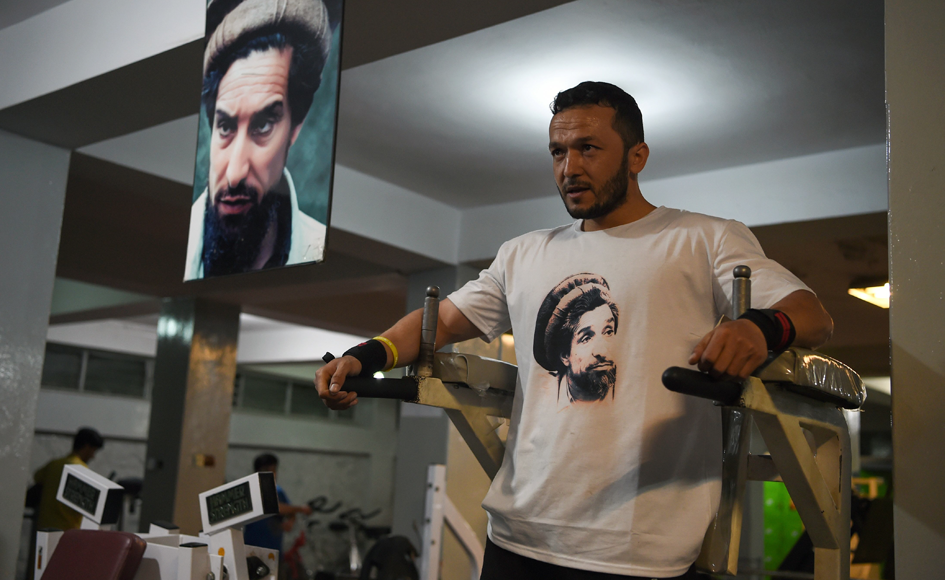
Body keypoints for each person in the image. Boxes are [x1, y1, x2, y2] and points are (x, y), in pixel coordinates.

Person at [315, 82, 834, 579]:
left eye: (588, 148)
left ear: (637, 156)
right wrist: (366, 355)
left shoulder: (702, 238)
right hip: (516, 533)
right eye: (558, 152)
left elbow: (813, 315)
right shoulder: (523, 253)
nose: (570, 168)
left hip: (637, 547)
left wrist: (762, 327)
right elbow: (441, 322)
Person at [184, 0, 332, 279]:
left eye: (262, 125)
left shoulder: (320, 250)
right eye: (225, 126)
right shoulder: (175, 245)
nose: (235, 173)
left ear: (295, 127)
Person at [33, 427, 104, 530]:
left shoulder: (53, 464)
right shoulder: (82, 469)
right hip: (68, 531)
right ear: (87, 446)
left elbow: (37, 478)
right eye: (93, 451)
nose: (93, 456)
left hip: (44, 528)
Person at [242, 453, 312, 556]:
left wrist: (290, 521)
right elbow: (276, 506)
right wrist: (301, 508)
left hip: (274, 549)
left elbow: (289, 511)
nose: (271, 474)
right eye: (266, 470)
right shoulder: (251, 490)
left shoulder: (278, 491)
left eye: (273, 470)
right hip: (251, 548)